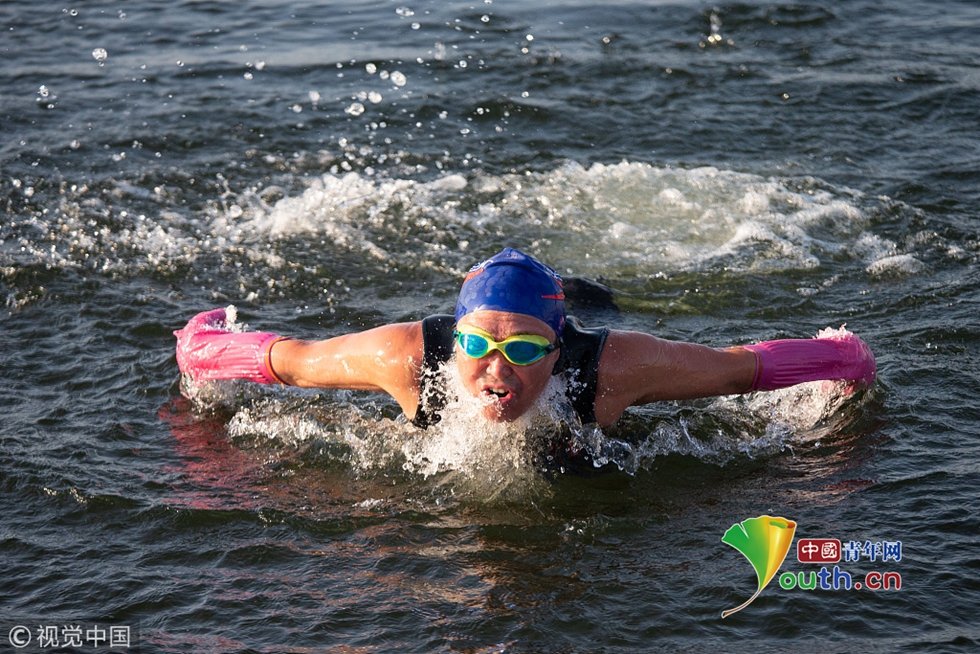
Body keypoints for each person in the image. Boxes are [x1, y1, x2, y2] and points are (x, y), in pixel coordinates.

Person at [174, 248, 876, 429]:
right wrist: (199, 348)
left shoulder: (613, 367)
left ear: (558, 348)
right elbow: (292, 362)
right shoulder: (408, 357)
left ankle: (586, 290)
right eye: (478, 347)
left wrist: (843, 358)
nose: (495, 371)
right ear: (455, 341)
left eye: (524, 351)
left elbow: (736, 371)